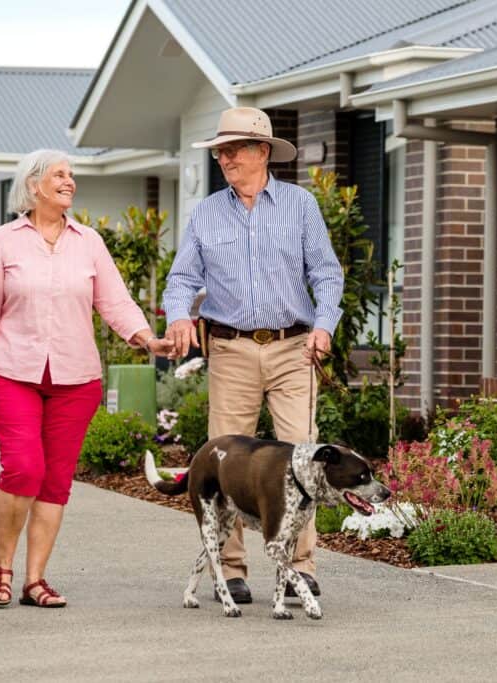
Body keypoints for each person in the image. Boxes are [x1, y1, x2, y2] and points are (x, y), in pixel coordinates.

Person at [0, 149, 173, 608]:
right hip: (12, 372)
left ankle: (35, 580)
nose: (69, 181)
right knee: (23, 467)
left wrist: (147, 339)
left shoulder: (88, 242)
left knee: (56, 479)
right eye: (59, 174)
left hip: (76, 379)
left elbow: (115, 302)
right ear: (34, 184)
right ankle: (2, 567)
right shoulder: (3, 241)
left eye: (72, 175)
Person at [163, 107, 344, 604]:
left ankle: (299, 568)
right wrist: (179, 315)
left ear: (262, 152)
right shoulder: (206, 213)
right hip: (231, 348)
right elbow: (181, 279)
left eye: (234, 149)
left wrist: (325, 326)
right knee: (227, 459)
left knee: (301, 457)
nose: (224, 158)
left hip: (293, 346)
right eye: (220, 150)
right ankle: (232, 568)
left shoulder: (300, 205)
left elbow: (327, 274)